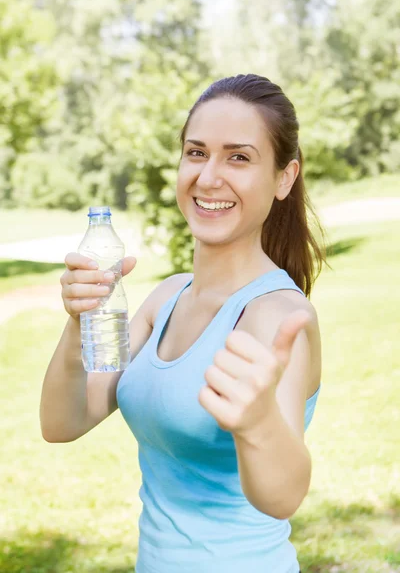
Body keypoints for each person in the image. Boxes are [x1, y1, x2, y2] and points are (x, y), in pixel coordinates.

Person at [40, 73, 328, 573]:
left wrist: (257, 422)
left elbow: (283, 497)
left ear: (284, 178)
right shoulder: (168, 297)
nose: (209, 177)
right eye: (196, 153)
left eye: (238, 157)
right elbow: (62, 423)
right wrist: (79, 324)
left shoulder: (279, 317)